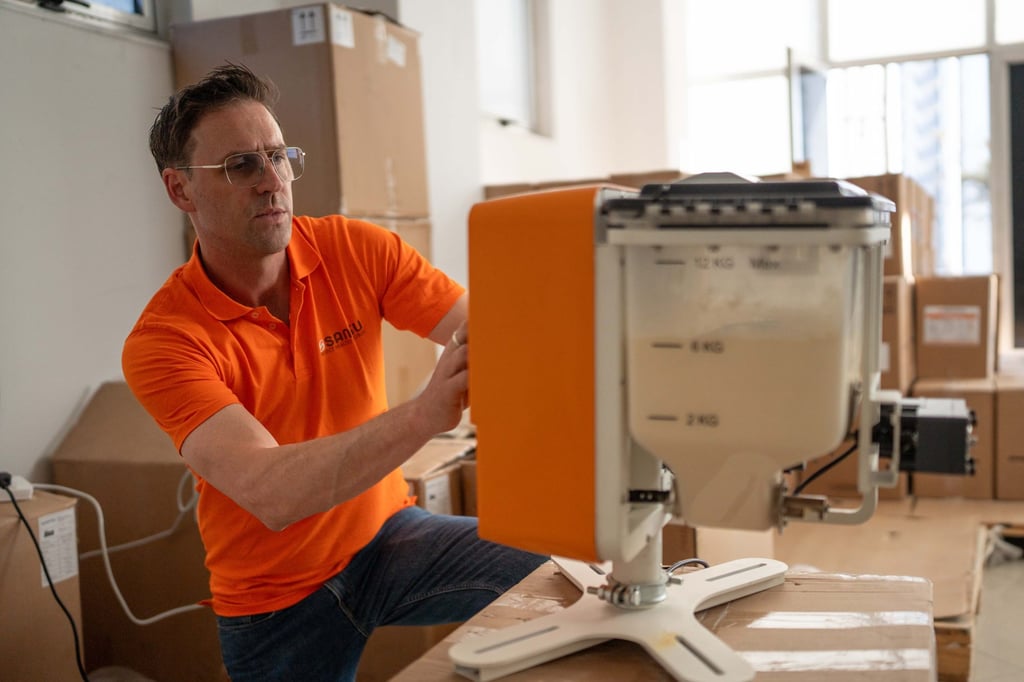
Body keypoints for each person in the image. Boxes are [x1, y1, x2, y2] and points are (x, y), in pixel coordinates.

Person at [122, 63, 547, 681]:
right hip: (274, 599)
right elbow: (273, 495)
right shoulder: (166, 340)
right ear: (181, 190)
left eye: (279, 156)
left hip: (386, 537)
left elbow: (492, 336)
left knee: (556, 574)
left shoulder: (355, 250)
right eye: (242, 165)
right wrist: (428, 412)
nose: (273, 182)